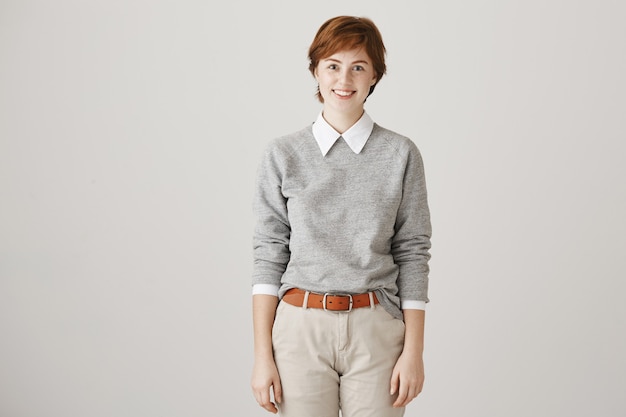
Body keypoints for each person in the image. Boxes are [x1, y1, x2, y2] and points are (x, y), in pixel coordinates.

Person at [250, 15, 432, 417]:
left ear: (374, 77)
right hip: (299, 329)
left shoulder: (401, 154)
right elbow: (268, 254)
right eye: (332, 65)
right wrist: (263, 357)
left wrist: (414, 352)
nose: (343, 78)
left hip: (377, 329)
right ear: (316, 70)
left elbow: (413, 251)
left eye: (358, 67)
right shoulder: (282, 154)